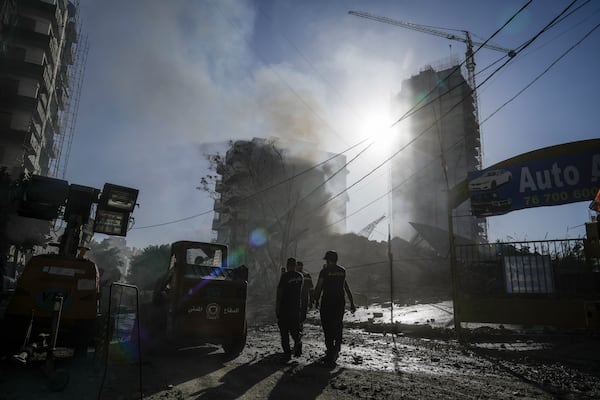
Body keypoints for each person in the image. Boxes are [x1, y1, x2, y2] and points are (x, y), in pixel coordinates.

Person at [313, 250, 356, 364]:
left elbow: (319, 287)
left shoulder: (324, 271)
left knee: (327, 326)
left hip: (327, 302)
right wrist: (351, 302)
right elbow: (345, 287)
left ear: (328, 259)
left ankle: (330, 350)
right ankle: (337, 347)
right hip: (339, 302)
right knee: (337, 324)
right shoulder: (342, 271)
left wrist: (315, 299)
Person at [275, 257, 304, 358]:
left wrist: (277, 307)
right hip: (296, 307)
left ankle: (287, 351)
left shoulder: (285, 276)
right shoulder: (300, 276)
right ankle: (298, 344)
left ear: (287, 265)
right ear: (295, 265)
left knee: (284, 330)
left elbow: (280, 292)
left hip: (285, 307)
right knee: (295, 329)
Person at [296, 261, 314, 329]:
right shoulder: (294, 275)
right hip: (296, 298)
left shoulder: (306, 275)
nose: (299, 267)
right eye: (298, 266)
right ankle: (297, 327)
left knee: (303, 314)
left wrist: (311, 299)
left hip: (304, 298)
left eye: (300, 265)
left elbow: (311, 288)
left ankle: (299, 326)